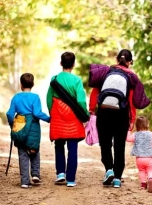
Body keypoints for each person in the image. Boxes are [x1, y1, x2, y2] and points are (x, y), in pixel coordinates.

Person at [89, 49, 138, 188]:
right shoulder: (131, 76)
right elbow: (131, 100)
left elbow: (95, 93)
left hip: (104, 111)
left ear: (117, 60)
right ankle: (117, 178)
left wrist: (92, 110)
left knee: (105, 143)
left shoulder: (105, 71)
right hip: (121, 113)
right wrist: (132, 119)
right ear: (130, 62)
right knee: (119, 146)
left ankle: (109, 169)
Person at [46, 51, 89, 187]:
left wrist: (52, 114)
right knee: (73, 148)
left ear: (61, 63)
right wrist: (84, 115)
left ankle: (60, 174)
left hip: (58, 115)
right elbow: (81, 100)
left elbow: (49, 99)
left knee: (59, 145)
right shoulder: (77, 80)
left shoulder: (54, 79)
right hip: (73, 117)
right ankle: (70, 179)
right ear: (74, 64)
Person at [6, 73, 51, 188]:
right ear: (33, 84)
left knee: (22, 154)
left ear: (21, 84)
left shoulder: (16, 97)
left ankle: (25, 181)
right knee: (34, 149)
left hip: (20, 126)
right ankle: (35, 174)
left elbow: (10, 113)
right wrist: (49, 119)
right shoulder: (35, 97)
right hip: (33, 127)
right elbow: (37, 113)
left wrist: (13, 125)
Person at [126, 116, 152, 193]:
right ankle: (150, 179)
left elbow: (128, 139)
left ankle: (143, 184)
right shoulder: (150, 134)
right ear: (147, 125)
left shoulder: (135, 134)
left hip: (139, 159)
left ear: (137, 125)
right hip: (149, 158)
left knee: (141, 171)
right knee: (151, 170)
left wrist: (129, 129)